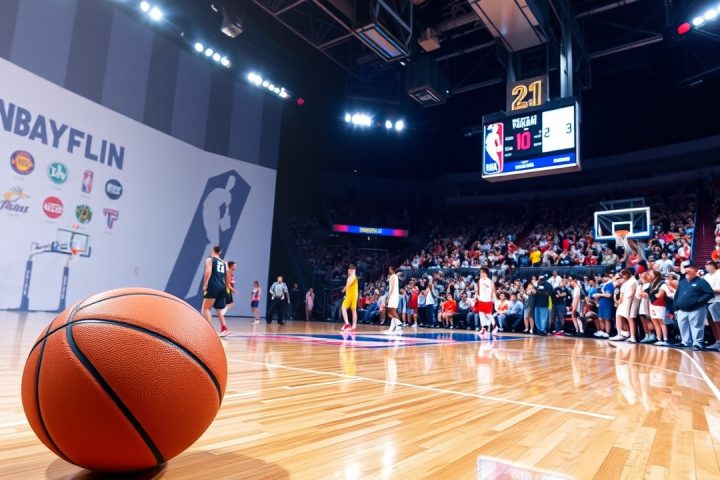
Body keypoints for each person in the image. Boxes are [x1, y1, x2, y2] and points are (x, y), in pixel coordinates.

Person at [675, 264, 714, 350]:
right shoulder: (682, 282)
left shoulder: (701, 282)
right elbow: (677, 295)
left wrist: (699, 301)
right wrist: (676, 306)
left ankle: (697, 343)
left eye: (689, 271)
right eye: (686, 271)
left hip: (696, 308)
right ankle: (685, 342)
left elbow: (709, 293)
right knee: (682, 326)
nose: (687, 273)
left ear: (695, 271)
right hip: (682, 309)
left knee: (697, 326)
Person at [201, 246, 229, 337]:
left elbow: (208, 272)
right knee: (219, 309)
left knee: (205, 309)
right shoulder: (224, 263)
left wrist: (205, 284)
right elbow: (228, 275)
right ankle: (224, 329)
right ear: (220, 252)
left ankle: (210, 332)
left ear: (213, 250)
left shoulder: (210, 259)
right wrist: (227, 286)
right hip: (222, 286)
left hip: (213, 285)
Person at [644, 270, 672, 346]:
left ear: (656, 274)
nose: (650, 275)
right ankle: (659, 338)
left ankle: (665, 339)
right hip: (652, 304)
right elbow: (647, 293)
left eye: (651, 273)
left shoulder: (662, 283)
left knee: (661, 322)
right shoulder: (652, 284)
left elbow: (660, 295)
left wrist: (657, 294)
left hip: (660, 304)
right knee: (655, 322)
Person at [610, 269, 636, 342]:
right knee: (618, 316)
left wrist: (627, 302)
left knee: (629, 318)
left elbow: (632, 293)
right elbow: (621, 295)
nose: (623, 276)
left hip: (629, 302)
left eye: (623, 275)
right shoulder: (625, 283)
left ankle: (633, 336)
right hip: (623, 303)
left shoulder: (633, 281)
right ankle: (620, 334)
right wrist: (619, 302)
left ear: (628, 274)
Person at [704, 261, 720, 351]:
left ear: (714, 266)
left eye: (709, 264)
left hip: (717, 300)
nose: (707, 266)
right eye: (706, 265)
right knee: (711, 322)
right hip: (708, 301)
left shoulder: (719, 274)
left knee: (717, 321)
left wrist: (708, 290)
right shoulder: (706, 276)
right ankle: (717, 341)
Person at [593, 274, 614, 338]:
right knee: (601, 318)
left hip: (607, 303)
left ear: (607, 277)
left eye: (604, 277)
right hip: (602, 303)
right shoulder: (603, 285)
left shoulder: (609, 285)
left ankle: (607, 332)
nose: (602, 279)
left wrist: (599, 295)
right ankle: (603, 331)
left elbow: (609, 295)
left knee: (606, 318)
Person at [476, 268, 497, 335]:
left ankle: (495, 327)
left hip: (488, 300)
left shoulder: (490, 281)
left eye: (482, 272)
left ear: (485, 273)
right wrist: (477, 296)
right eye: (480, 272)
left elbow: (493, 291)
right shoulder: (480, 281)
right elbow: (478, 290)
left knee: (488, 314)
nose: (480, 274)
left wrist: (493, 299)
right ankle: (484, 328)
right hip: (481, 300)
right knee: (481, 314)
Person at [384, 266, 402, 335]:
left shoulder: (392, 277)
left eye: (389, 269)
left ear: (392, 270)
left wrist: (388, 298)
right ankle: (391, 328)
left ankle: (399, 324)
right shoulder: (395, 276)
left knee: (391, 310)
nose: (388, 270)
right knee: (391, 311)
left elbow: (391, 288)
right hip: (395, 295)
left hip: (393, 295)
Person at [340, 265, 359, 332]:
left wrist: (343, 290)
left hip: (351, 296)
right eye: (348, 269)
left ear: (353, 270)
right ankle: (353, 326)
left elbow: (348, 285)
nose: (348, 271)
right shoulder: (353, 277)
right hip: (353, 295)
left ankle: (347, 323)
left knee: (343, 307)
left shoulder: (352, 277)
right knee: (353, 310)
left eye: (349, 270)